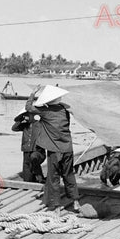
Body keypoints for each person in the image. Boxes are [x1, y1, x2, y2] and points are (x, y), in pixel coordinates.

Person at [25, 84, 81, 215]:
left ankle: (56, 207)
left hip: (54, 150)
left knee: (53, 177)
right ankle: (76, 201)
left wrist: (33, 94)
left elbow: (28, 107)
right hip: (68, 148)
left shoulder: (45, 111)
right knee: (69, 175)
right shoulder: (64, 110)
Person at [11, 109, 46, 183]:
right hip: (26, 151)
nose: (28, 117)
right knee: (27, 179)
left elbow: (41, 118)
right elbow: (14, 128)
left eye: (29, 115)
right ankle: (32, 178)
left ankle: (40, 177)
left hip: (38, 152)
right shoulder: (24, 125)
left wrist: (34, 117)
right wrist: (20, 119)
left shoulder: (39, 124)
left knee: (33, 157)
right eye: (27, 115)